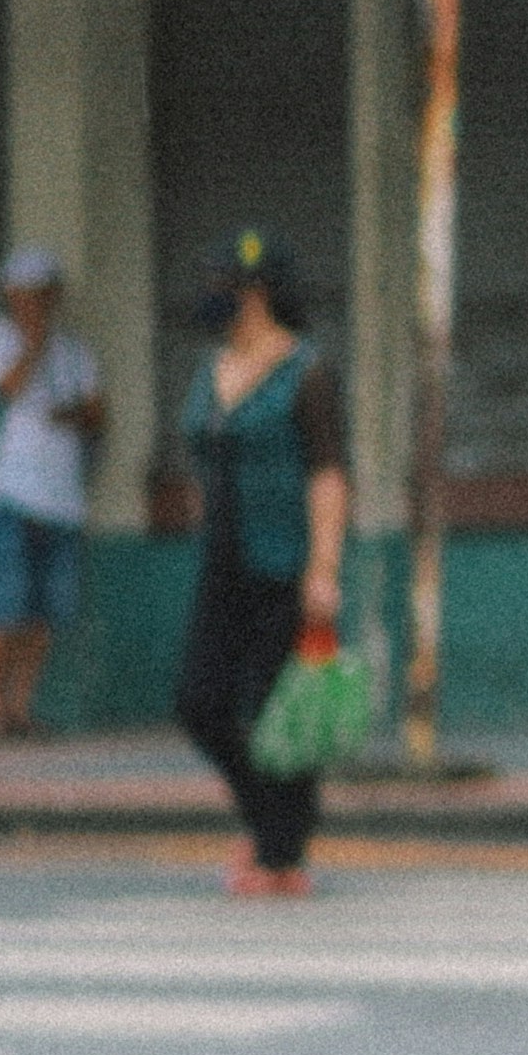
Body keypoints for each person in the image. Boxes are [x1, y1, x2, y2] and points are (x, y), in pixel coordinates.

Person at [169, 229, 347, 899]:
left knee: (282, 717)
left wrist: (323, 571)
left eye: (225, 287)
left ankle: (283, 854)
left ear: (259, 293)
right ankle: (267, 822)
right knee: (200, 702)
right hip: (221, 561)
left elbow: (328, 474)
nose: (211, 299)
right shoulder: (210, 370)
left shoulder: (306, 371)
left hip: (285, 563)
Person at [0, 245, 102, 738]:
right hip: (7, 493)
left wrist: (66, 412)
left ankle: (21, 708)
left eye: (44, 295)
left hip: (61, 500)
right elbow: (9, 389)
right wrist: (35, 342)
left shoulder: (76, 351)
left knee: (46, 609)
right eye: (26, 295)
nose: (35, 304)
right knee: (7, 604)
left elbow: (95, 413)